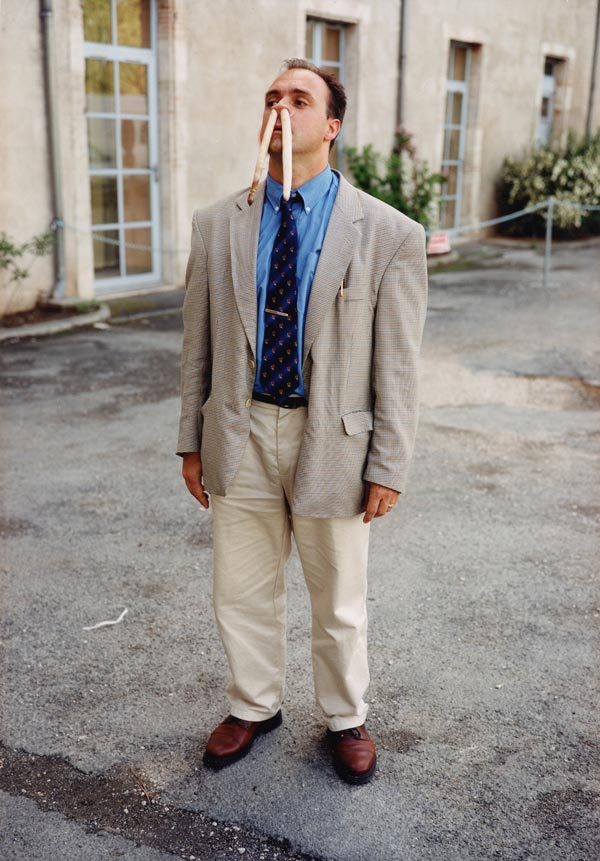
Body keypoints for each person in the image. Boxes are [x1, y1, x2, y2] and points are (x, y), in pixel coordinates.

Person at [177, 58, 428, 785]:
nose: (281, 108)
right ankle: (253, 703)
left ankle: (346, 717)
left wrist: (389, 462)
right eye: (271, 98)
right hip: (243, 428)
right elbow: (199, 341)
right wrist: (191, 441)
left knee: (338, 595)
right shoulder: (216, 223)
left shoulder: (388, 234)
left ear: (332, 124)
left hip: (334, 442)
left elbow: (400, 366)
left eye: (299, 97)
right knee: (241, 585)